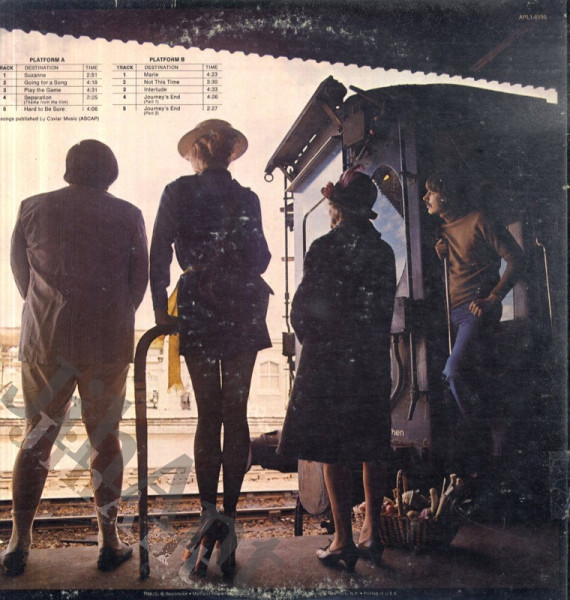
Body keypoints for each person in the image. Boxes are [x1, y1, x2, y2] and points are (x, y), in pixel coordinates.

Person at [2, 140, 149, 576]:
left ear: (69, 170)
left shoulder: (31, 208)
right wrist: (110, 314)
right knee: (105, 440)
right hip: (106, 341)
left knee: (37, 438)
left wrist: (48, 310)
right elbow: (138, 281)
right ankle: (110, 541)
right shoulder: (129, 215)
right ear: (110, 173)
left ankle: (18, 543)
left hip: (47, 339)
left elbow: (22, 277)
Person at [150, 120, 272, 577]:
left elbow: (159, 253)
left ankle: (207, 518)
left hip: (198, 304)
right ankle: (230, 524)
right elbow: (261, 258)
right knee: (235, 413)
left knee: (208, 414)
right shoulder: (248, 198)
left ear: (198, 153)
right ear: (228, 155)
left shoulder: (176, 191)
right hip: (242, 304)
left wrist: (161, 310)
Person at [277, 167, 396, 571]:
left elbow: (302, 310)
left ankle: (343, 539)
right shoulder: (384, 252)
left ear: (337, 209)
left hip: (330, 361)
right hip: (371, 360)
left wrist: (316, 343)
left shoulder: (324, 247)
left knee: (332, 447)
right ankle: (373, 534)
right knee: (372, 444)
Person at [423, 170, 524, 474]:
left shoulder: (480, 219)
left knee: (454, 371)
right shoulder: (441, 231)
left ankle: (488, 437)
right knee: (449, 382)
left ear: (446, 195)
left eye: (431, 192)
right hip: (450, 316)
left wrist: (493, 297)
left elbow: (517, 258)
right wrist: (437, 254)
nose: (426, 198)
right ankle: (485, 449)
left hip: (475, 313)